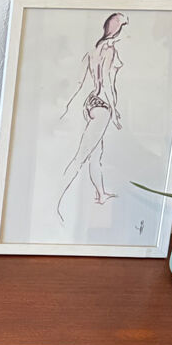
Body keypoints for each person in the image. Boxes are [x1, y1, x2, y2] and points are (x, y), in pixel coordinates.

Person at [56, 12, 127, 222]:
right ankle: (56, 201)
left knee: (96, 155)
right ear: (117, 30)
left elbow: (78, 82)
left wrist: (67, 105)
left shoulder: (92, 51)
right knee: (81, 157)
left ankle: (101, 193)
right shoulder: (110, 50)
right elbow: (106, 82)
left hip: (91, 103)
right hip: (103, 106)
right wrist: (114, 111)